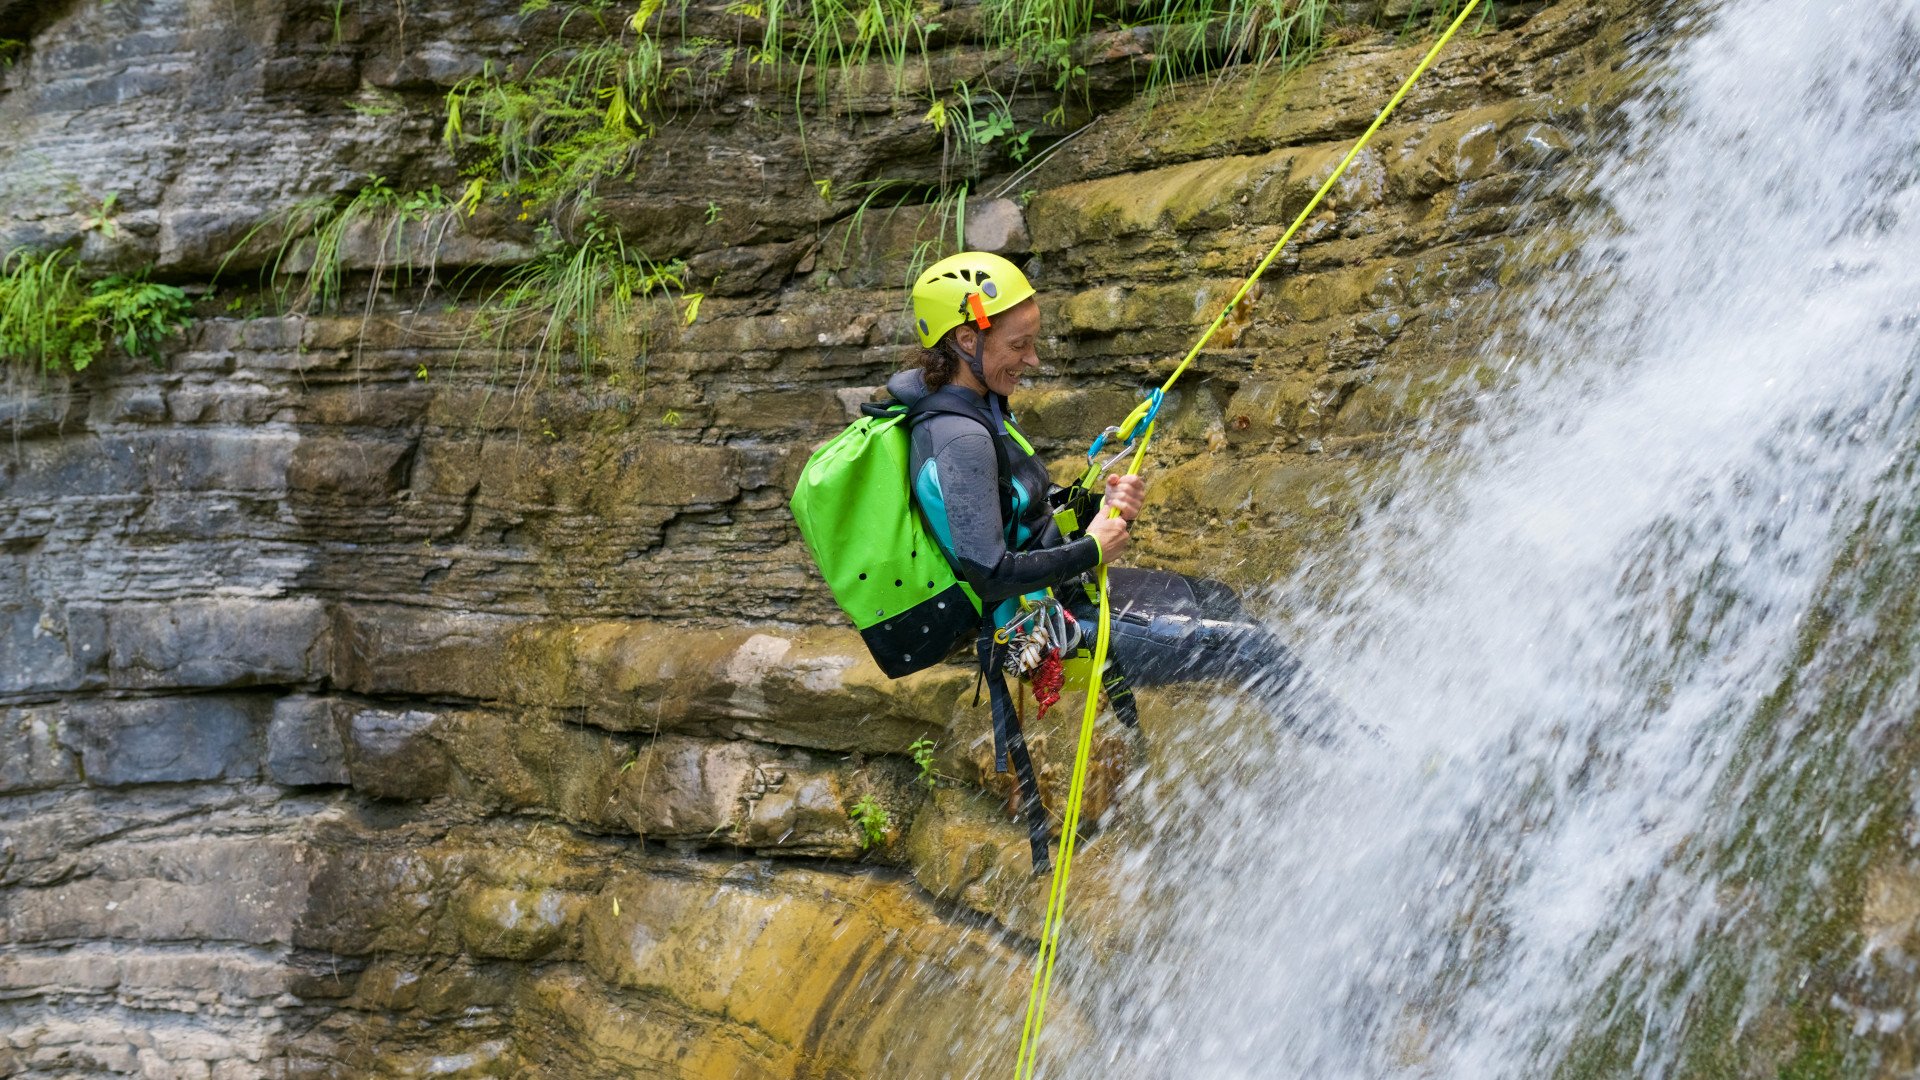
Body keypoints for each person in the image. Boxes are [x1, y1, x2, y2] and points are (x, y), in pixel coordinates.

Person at [889, 250, 1313, 725]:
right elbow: (989, 572)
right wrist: (1092, 549)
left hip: (1058, 591)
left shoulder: (979, 406)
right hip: (1038, 627)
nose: (1032, 358)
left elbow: (1019, 513)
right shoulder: (960, 437)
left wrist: (1099, 506)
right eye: (1019, 344)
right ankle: (1369, 753)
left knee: (1215, 599)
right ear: (968, 339)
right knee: (1247, 647)